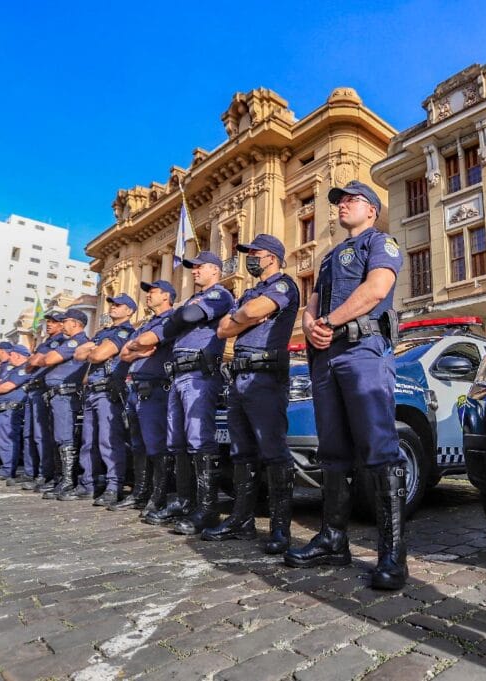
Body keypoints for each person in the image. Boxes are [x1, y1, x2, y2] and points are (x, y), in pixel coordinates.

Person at [283, 180, 408, 590]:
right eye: (338, 202)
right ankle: (334, 539)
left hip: (362, 349)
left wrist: (328, 323)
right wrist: (310, 326)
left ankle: (392, 555)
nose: (341, 207)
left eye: (351, 201)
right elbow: (314, 302)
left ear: (371, 209)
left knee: (378, 447)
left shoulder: (380, 242)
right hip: (326, 356)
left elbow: (376, 290)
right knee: (332, 450)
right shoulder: (330, 256)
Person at [201, 234, 299, 552]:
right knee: (242, 452)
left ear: (271, 256)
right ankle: (242, 523)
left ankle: (280, 529)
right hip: (240, 377)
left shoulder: (284, 285)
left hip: (266, 378)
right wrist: (246, 316)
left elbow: (251, 313)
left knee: (273, 451)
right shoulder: (250, 292)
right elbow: (223, 329)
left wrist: (244, 316)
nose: (249, 257)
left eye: (254, 252)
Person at [142, 253, 233, 530]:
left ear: (215, 271)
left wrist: (181, 313)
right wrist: (181, 315)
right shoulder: (193, 299)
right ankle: (184, 501)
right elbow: (170, 326)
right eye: (192, 268)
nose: (193, 272)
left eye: (199, 267)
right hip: (178, 374)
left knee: (198, 438)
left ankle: (207, 509)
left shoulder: (220, 295)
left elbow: (187, 316)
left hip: (199, 374)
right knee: (177, 441)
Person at [119, 280, 176, 519]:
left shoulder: (170, 320)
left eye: (153, 292)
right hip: (136, 388)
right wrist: (136, 349)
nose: (148, 296)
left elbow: (149, 346)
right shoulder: (146, 324)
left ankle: (158, 496)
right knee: (138, 445)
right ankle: (141, 492)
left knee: (156, 445)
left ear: (166, 296)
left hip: (155, 389)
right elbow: (124, 353)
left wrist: (137, 348)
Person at [73, 294, 137, 506]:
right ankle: (87, 484)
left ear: (129, 310)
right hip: (92, 391)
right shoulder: (104, 332)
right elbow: (78, 353)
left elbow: (98, 355)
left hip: (109, 391)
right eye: (113, 304)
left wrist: (94, 350)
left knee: (109, 440)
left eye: (119, 305)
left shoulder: (126, 331)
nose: (113, 307)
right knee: (88, 441)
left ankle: (113, 486)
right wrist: (94, 349)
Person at [37, 309, 90, 500]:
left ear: (75, 323)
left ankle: (67, 480)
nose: (62, 324)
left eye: (65, 321)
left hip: (66, 395)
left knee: (66, 438)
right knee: (59, 438)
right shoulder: (68, 342)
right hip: (57, 396)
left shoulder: (76, 341)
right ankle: (61, 479)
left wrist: (43, 358)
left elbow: (48, 359)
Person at [22, 312, 66, 491]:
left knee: (44, 435)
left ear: (63, 324)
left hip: (46, 389)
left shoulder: (62, 341)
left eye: (54, 322)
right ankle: (33, 472)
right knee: (31, 434)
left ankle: (46, 473)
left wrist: (37, 360)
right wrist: (36, 360)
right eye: (48, 321)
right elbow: (29, 365)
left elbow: (45, 360)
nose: (49, 324)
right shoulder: (46, 343)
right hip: (34, 389)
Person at [0, 345, 32, 480]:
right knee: (0, 440)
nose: (9, 358)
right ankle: (1, 467)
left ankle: (7, 469)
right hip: (2, 406)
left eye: (12, 355)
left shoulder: (24, 368)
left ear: (19, 356)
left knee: (7, 440)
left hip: (11, 408)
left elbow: (7, 386)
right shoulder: (13, 370)